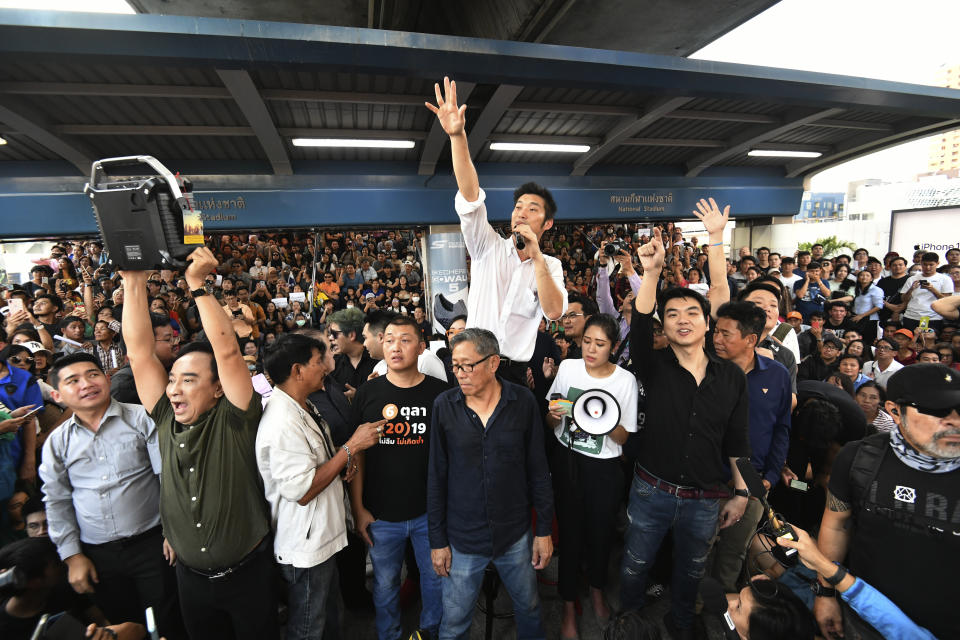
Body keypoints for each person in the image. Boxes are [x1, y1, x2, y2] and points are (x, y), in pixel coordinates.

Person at [121, 248, 278, 640]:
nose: (173, 389)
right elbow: (140, 355)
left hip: (249, 577)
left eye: (188, 380)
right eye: (172, 378)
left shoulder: (235, 419)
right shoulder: (163, 416)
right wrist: (134, 282)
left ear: (219, 390)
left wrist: (197, 286)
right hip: (190, 580)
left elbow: (226, 350)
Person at [621, 224, 751, 640]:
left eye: (692, 313)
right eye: (672, 314)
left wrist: (741, 491)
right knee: (635, 564)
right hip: (651, 490)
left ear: (708, 322)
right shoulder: (652, 364)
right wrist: (652, 272)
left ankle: (680, 625)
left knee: (692, 569)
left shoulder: (731, 376)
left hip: (706, 498)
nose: (682, 320)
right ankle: (628, 625)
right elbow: (640, 322)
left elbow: (736, 438)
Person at [426, 76, 566, 385]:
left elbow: (554, 312)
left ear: (547, 223)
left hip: (515, 371)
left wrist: (537, 258)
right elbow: (471, 196)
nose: (522, 213)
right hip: (473, 365)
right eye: (519, 207)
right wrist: (458, 136)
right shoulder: (486, 246)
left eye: (533, 209)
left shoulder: (551, 266)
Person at [38, 353, 183, 638]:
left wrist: (173, 531)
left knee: (168, 620)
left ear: (106, 378)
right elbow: (57, 500)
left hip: (153, 544)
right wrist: (72, 556)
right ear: (57, 394)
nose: (86, 384)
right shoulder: (57, 441)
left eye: (92, 374)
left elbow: (167, 477)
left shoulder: (140, 418)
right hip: (98, 554)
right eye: (73, 380)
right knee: (122, 625)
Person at [814, 364, 960, 640]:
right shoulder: (859, 458)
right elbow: (836, 526)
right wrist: (826, 593)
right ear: (894, 411)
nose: (953, 420)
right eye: (938, 410)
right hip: (863, 621)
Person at [428, 328, 554, 640]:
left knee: (529, 608)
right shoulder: (444, 406)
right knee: (455, 621)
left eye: (468, 365)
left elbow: (538, 470)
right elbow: (436, 476)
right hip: (462, 539)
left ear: (494, 363)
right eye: (455, 366)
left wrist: (543, 531)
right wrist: (437, 540)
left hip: (515, 536)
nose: (459, 374)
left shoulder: (523, 402)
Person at [256, 333, 382, 640]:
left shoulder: (303, 406)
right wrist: (351, 448)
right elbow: (302, 491)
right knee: (308, 625)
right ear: (298, 371)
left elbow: (317, 464)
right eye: (317, 362)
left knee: (327, 617)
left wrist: (341, 465)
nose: (325, 368)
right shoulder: (282, 422)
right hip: (305, 545)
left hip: (322, 536)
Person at [351, 315, 449, 640]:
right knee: (385, 583)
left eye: (405, 340)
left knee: (436, 580)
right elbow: (357, 456)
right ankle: (389, 635)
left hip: (429, 514)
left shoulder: (441, 395)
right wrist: (358, 508)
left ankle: (430, 632)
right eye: (389, 339)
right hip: (381, 514)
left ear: (421, 347)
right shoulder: (368, 394)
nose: (396, 346)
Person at [545, 314, 638, 639]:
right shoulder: (568, 368)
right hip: (568, 461)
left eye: (599, 344)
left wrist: (599, 419)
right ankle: (569, 604)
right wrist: (555, 416)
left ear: (613, 347)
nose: (591, 349)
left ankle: (597, 589)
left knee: (600, 533)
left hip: (605, 468)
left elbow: (625, 436)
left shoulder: (624, 380)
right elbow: (550, 417)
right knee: (570, 535)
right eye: (587, 342)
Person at [708, 302, 792, 594]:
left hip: (754, 481)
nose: (716, 339)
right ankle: (691, 611)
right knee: (697, 550)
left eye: (725, 334)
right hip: (709, 479)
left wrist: (768, 476)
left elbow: (782, 427)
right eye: (715, 332)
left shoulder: (777, 375)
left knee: (734, 553)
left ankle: (725, 610)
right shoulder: (707, 371)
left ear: (751, 339)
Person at [110, 313, 178, 404]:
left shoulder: (174, 370)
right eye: (168, 339)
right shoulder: (123, 386)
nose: (175, 344)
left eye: (174, 338)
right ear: (144, 344)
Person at [363, 309, 447, 381]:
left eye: (365, 337)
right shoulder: (379, 368)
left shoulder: (425, 360)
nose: (364, 344)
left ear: (381, 337)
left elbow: (442, 397)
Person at [328, 307, 376, 402]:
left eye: (334, 333)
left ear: (351, 335)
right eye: (330, 333)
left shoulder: (378, 362)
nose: (330, 337)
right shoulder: (332, 364)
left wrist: (359, 395)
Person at [899, 252, 952, 335]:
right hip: (911, 316)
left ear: (937, 264)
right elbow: (903, 299)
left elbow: (947, 300)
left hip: (933, 318)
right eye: (925, 264)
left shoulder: (945, 279)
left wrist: (933, 290)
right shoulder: (912, 279)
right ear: (921, 263)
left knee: (928, 340)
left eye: (931, 265)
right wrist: (911, 289)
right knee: (910, 341)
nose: (928, 267)